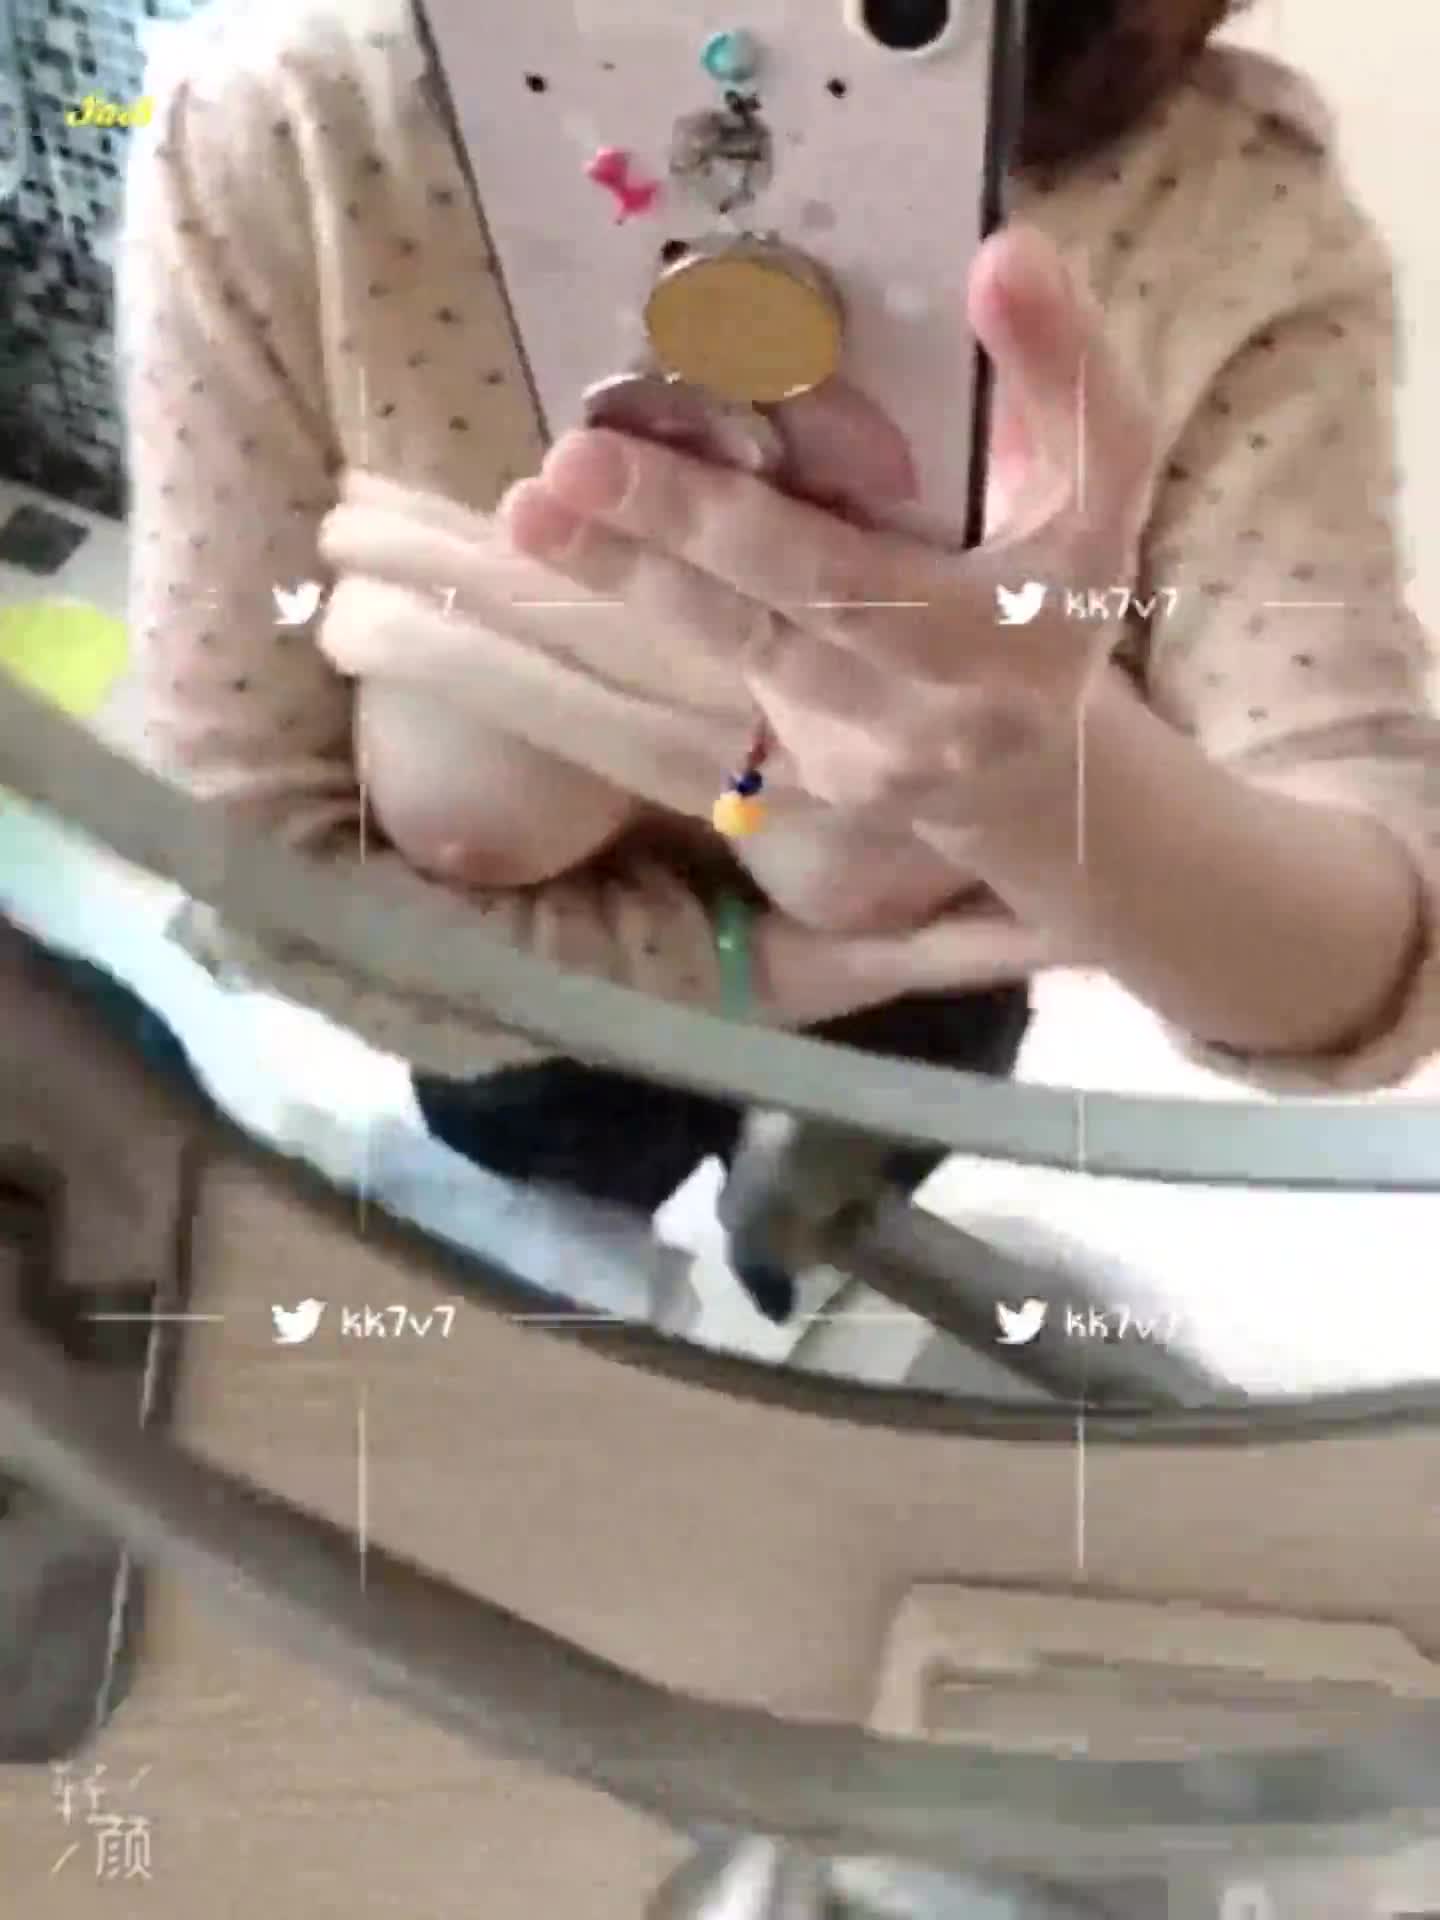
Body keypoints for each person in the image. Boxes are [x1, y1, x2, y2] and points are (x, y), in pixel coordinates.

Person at [120, 0, 1440, 1313]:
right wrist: (801, 964)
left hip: (882, 1050)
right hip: (535, 1045)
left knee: (820, 1218)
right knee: (564, 1186)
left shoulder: (1234, 234)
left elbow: (1376, 948)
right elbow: (249, 862)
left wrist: (1041, 780)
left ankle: (787, 1240)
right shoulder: (291, 130)